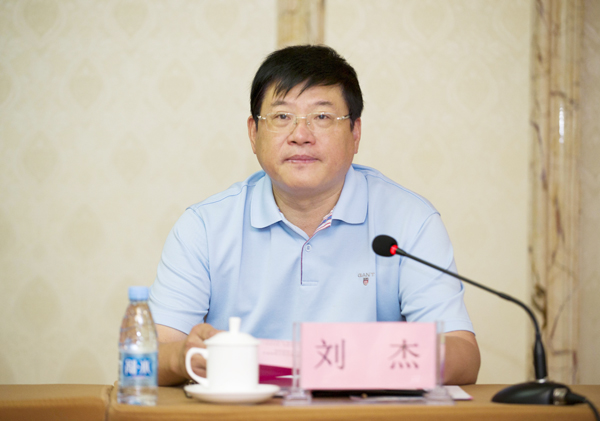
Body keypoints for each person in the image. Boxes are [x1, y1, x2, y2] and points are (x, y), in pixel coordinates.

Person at [149, 45, 480, 386]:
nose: (300, 136)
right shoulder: (204, 227)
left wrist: (354, 360)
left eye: (322, 117)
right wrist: (185, 356)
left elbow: (463, 356)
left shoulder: (410, 220)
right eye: (282, 117)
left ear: (355, 133)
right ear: (253, 133)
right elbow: (150, 355)